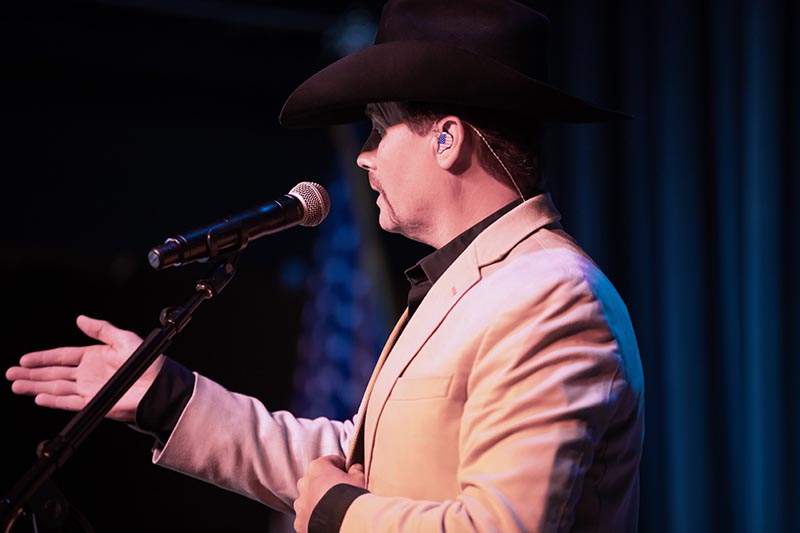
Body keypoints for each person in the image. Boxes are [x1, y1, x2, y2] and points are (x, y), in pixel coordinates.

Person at [6, 1, 644, 531]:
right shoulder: (475, 286)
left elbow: (502, 525)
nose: (364, 156)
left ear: (447, 140)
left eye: (379, 130)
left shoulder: (551, 294)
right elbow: (355, 460)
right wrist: (166, 400)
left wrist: (339, 514)